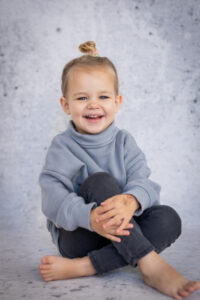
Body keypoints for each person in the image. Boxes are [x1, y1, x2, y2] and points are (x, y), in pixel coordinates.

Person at [38, 41, 200, 299]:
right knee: (101, 181)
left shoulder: (124, 142)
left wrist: (131, 200)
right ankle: (150, 264)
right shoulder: (62, 146)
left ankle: (86, 266)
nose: (93, 105)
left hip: (124, 232)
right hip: (80, 236)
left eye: (102, 96)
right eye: (82, 98)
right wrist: (90, 217)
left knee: (169, 218)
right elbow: (52, 198)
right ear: (66, 105)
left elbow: (145, 184)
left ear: (117, 102)